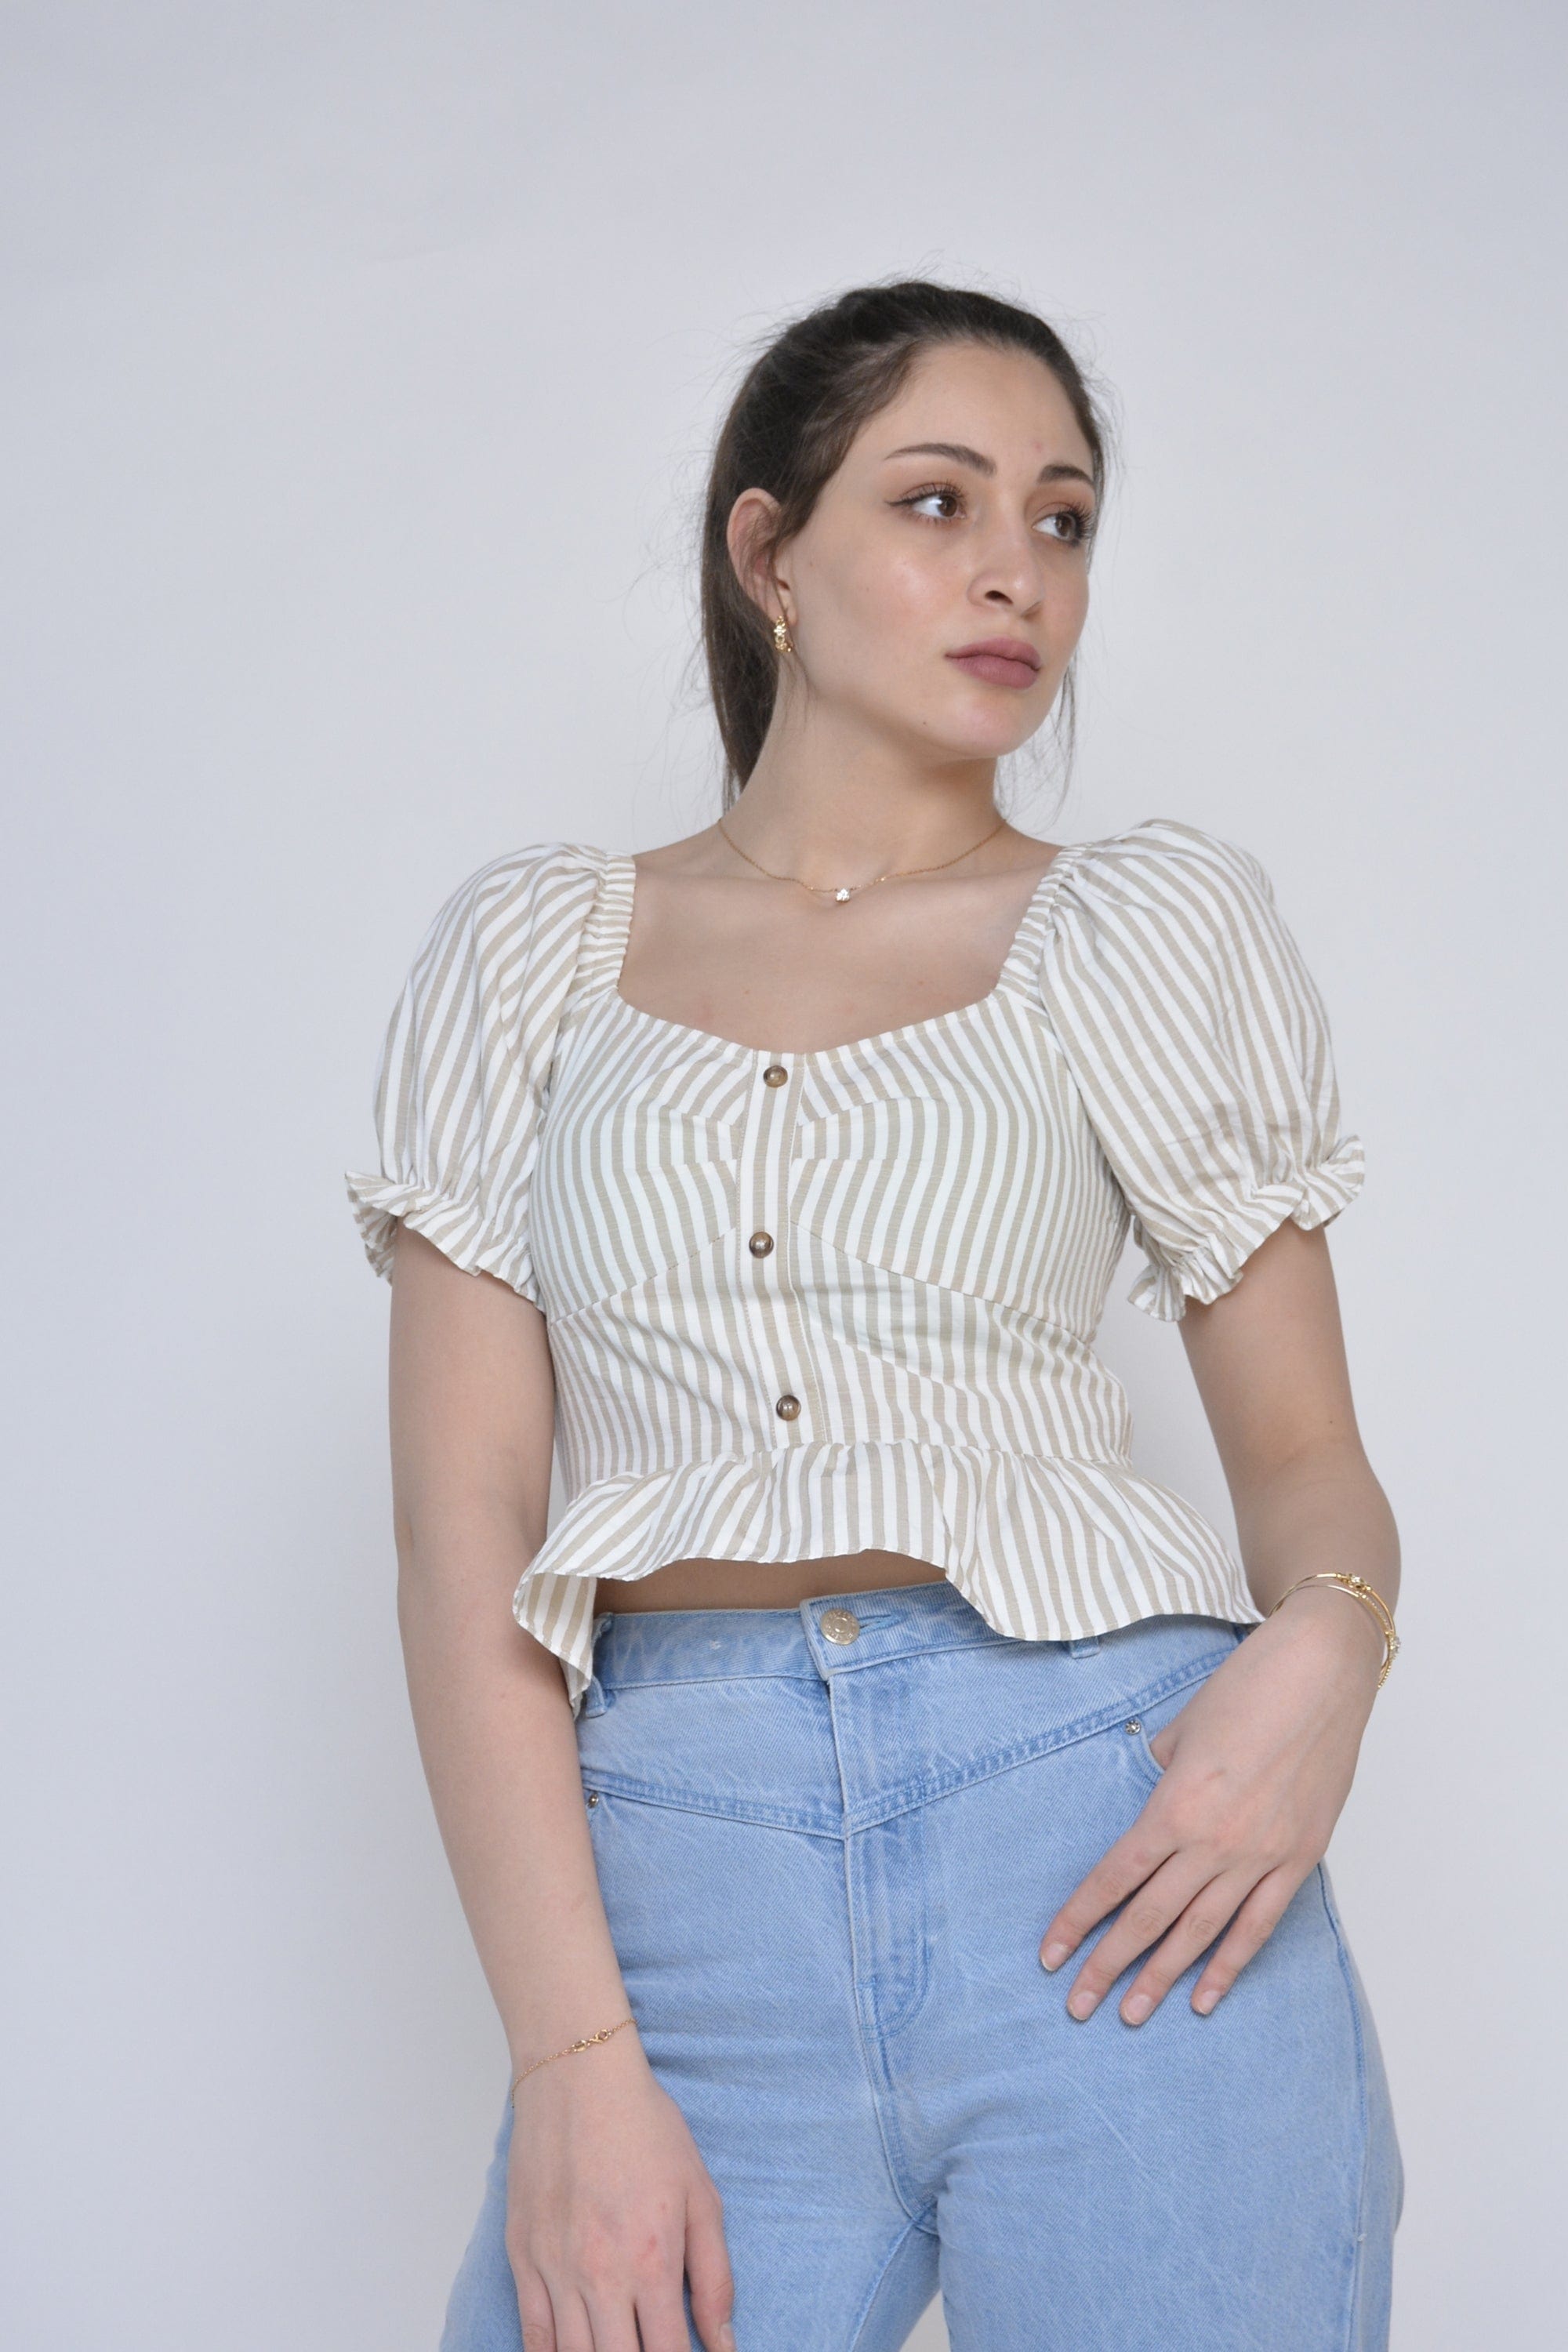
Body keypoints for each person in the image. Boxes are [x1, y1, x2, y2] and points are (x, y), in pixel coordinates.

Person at [346, 279, 1404, 2352]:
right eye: (939, 502)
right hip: (680, 1887)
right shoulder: (529, 952)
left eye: (1064, 519)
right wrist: (572, 2061)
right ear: (771, 554)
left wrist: (1331, 1656)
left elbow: (1305, 1460)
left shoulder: (1141, 927)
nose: (1019, 570)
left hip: (1118, 1854)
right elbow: (461, 1541)